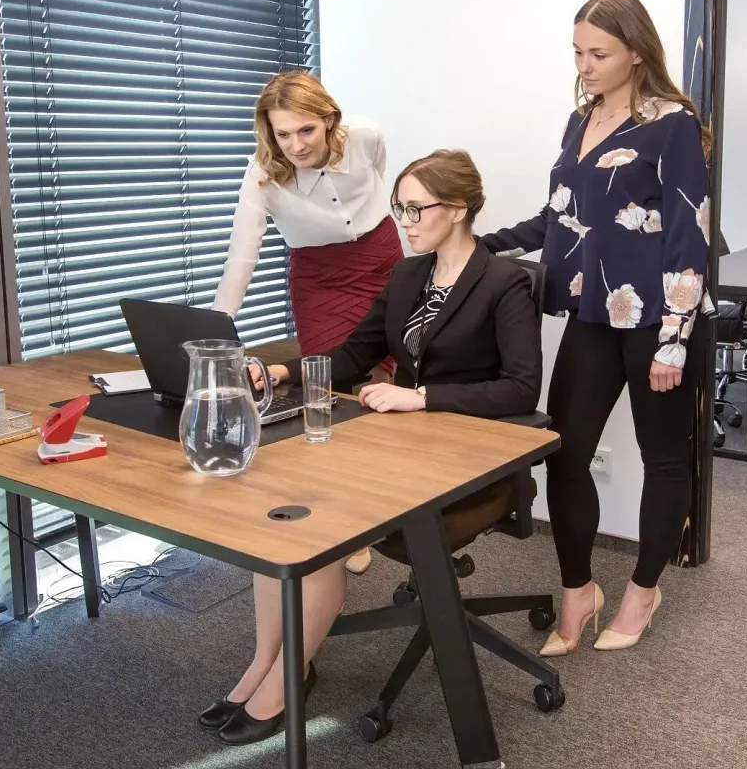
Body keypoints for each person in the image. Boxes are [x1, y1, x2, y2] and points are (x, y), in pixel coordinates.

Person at [198, 149, 542, 748]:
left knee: (318, 523)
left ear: (458, 209)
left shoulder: (503, 282)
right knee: (278, 512)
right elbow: (355, 354)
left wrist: (422, 396)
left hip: (467, 461)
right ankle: (265, 663)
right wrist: (281, 372)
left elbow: (520, 388)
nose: (403, 222)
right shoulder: (407, 276)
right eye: (398, 208)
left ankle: (289, 676)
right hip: (397, 447)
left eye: (416, 209)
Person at [483, 0, 710, 656]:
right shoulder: (579, 119)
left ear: (636, 52)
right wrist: (476, 245)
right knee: (565, 451)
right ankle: (578, 588)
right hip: (592, 313)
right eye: (578, 52)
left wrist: (674, 338)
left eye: (599, 54)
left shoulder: (672, 125)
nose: (584, 66)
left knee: (664, 458)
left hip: (656, 320)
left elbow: (689, 234)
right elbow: (557, 217)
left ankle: (643, 590)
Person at [213, 70, 399, 576]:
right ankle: (343, 515)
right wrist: (217, 327)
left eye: (306, 130)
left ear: (329, 120)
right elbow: (242, 252)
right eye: (283, 134)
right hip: (319, 277)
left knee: (384, 381)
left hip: (380, 259)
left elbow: (380, 177)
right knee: (326, 385)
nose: (295, 145)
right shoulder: (261, 173)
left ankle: (380, 501)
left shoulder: (366, 135)